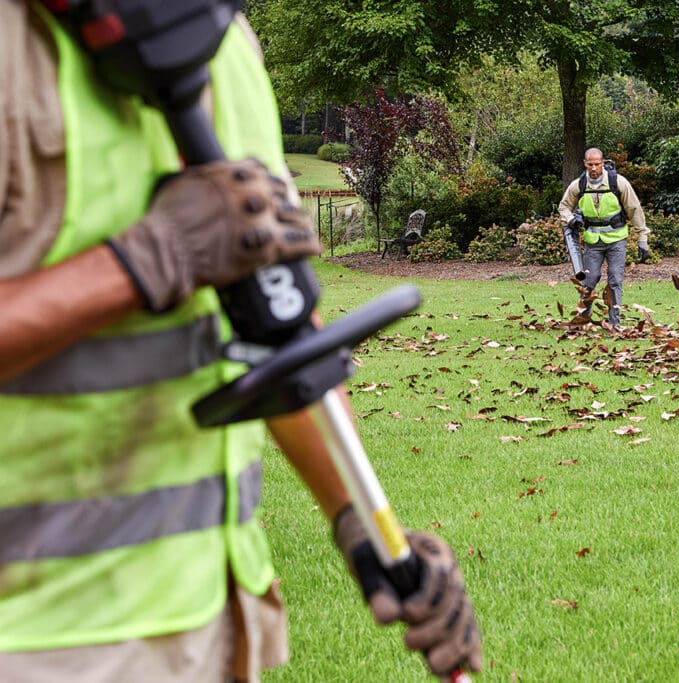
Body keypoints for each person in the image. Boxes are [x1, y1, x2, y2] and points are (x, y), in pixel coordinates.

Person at [0, 2, 481, 681]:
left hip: (212, 624)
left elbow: (272, 317)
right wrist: (144, 261)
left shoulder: (227, 41)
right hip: (34, 643)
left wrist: (365, 523)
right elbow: (187, 252)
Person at [558, 147, 649, 329]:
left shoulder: (618, 182)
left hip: (617, 239)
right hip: (593, 241)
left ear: (603, 163)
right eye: (590, 164)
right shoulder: (579, 185)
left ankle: (614, 322)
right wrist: (571, 220)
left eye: (597, 164)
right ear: (585, 164)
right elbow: (564, 206)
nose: (594, 168)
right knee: (588, 281)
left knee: (615, 280)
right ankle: (583, 320)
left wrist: (643, 237)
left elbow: (634, 208)